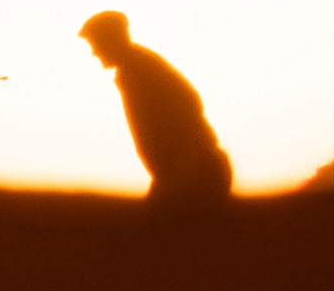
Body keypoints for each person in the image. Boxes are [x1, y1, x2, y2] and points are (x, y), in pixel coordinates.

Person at [78, 11, 233, 201]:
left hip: (193, 174)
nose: (94, 52)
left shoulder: (139, 70)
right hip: (185, 174)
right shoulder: (135, 68)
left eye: (95, 42)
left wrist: (183, 162)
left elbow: (188, 103)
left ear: (111, 38)